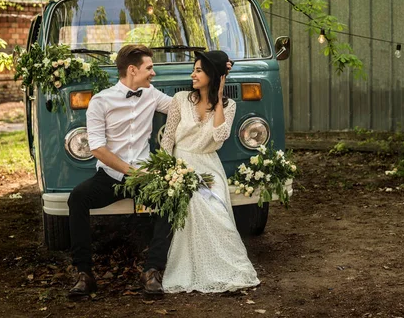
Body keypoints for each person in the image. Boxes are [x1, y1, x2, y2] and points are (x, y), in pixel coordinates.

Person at [67, 45, 174, 298]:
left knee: (171, 200)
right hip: (111, 177)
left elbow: (182, 109)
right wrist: (130, 172)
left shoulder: (152, 94)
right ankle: (84, 275)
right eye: (150, 68)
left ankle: (152, 272)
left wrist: (217, 82)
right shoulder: (100, 101)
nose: (154, 73)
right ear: (132, 70)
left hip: (143, 176)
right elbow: (98, 149)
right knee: (77, 198)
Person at [160, 50, 260, 293]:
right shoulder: (180, 99)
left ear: (212, 75)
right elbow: (168, 137)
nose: (192, 74)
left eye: (198, 70)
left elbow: (220, 136)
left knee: (217, 210)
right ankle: (197, 265)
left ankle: (229, 266)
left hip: (208, 166)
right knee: (195, 203)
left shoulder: (228, 105)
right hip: (181, 164)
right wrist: (165, 169)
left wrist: (218, 98)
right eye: (193, 69)